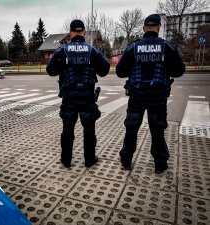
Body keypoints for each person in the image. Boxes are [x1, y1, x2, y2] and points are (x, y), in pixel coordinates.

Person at [116, 14, 185, 174]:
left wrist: (133, 68)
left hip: (137, 96)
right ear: (159, 28)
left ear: (143, 28)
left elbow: (120, 71)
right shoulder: (167, 47)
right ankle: (160, 164)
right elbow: (179, 70)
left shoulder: (133, 48)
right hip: (158, 97)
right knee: (157, 129)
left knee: (132, 128)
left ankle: (126, 160)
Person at [46, 19, 110, 168]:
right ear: (84, 33)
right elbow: (105, 70)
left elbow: (50, 70)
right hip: (87, 97)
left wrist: (62, 67)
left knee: (67, 130)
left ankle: (66, 160)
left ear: (70, 33)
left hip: (69, 97)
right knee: (89, 130)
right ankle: (89, 160)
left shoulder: (62, 50)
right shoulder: (92, 50)